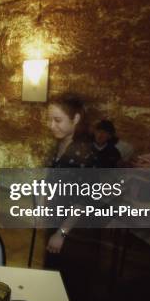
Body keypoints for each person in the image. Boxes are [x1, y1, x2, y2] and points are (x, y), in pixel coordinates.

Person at [45, 93, 95, 253]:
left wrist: (61, 233)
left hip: (72, 231)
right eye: (50, 119)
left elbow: (84, 201)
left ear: (76, 119)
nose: (51, 125)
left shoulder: (84, 152)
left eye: (57, 120)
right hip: (55, 219)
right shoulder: (61, 143)